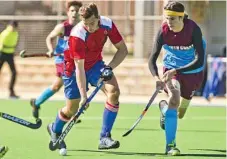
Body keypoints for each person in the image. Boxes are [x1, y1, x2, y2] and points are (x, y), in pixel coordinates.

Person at [47, 2, 128, 152]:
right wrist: (84, 96)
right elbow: (79, 68)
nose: (89, 27)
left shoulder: (107, 24)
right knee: (72, 109)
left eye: (92, 23)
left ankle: (104, 137)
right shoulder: (77, 34)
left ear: (98, 18)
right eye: (86, 24)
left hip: (95, 65)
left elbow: (123, 50)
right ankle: (55, 128)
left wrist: (109, 68)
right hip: (73, 70)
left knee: (114, 93)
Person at [148, 1, 206, 156]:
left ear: (181, 18)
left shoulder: (193, 29)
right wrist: (156, 77)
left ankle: (164, 109)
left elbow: (199, 60)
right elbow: (152, 59)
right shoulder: (163, 31)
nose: (169, 22)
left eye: (172, 19)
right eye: (167, 18)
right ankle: (170, 145)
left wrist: (177, 70)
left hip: (193, 70)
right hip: (171, 69)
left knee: (180, 113)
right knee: (174, 98)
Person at [30, 1, 82, 119]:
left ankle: (68, 110)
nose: (74, 13)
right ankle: (38, 103)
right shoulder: (62, 27)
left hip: (74, 61)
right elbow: (49, 38)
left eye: (77, 11)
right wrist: (50, 50)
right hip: (62, 60)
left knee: (73, 84)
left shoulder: (81, 28)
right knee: (58, 86)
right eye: (72, 10)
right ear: (68, 12)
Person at [0, 21, 19, 99]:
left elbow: (14, 43)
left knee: (14, 72)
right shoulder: (5, 33)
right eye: (11, 26)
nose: (12, 28)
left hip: (10, 55)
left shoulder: (16, 34)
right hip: (1, 54)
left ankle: (11, 91)